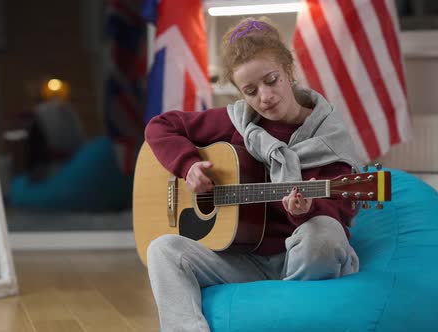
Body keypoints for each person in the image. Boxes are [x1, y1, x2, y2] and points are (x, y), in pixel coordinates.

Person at [144, 17, 361, 331]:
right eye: (250, 90)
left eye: (271, 80)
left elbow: (340, 211)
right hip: (243, 259)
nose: (265, 96)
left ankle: (285, 317)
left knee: (323, 235)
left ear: (289, 70)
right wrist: (188, 165)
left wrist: (306, 211)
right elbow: (159, 127)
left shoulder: (327, 137)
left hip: (300, 259)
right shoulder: (238, 122)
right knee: (163, 249)